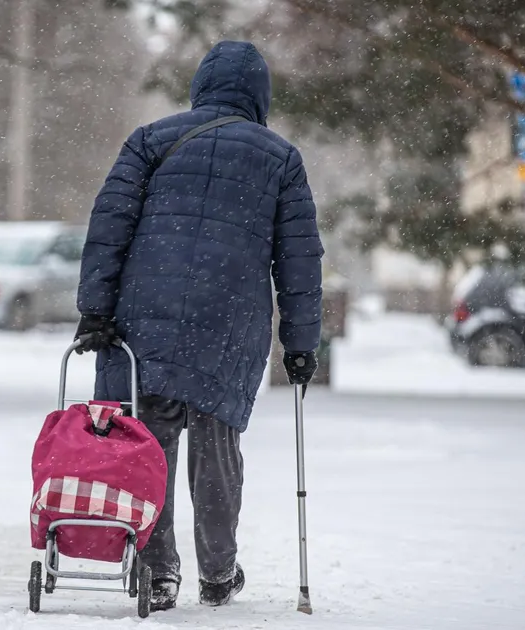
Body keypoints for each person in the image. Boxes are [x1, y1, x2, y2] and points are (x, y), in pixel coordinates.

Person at [73, 41, 324, 611]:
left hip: (145, 316)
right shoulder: (280, 159)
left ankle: (159, 573)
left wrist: (95, 309)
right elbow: (300, 262)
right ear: (260, 96)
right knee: (216, 449)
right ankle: (218, 571)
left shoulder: (151, 141)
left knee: (147, 449)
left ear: (200, 86)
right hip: (228, 323)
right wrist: (302, 344)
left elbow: (109, 227)